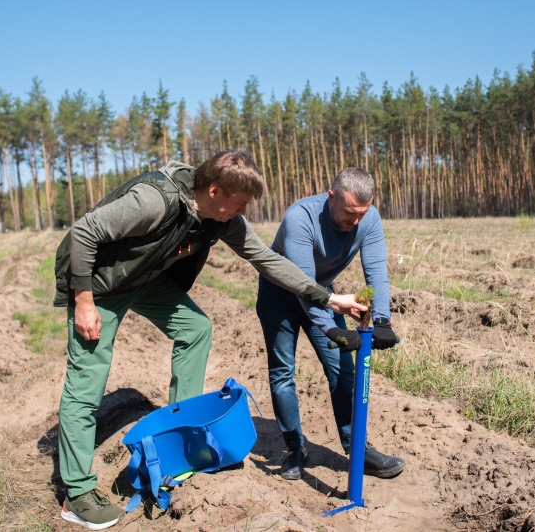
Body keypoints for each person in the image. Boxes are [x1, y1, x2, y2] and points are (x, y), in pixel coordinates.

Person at [52, 150, 367, 529]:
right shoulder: (154, 201)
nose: (243, 212)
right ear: (215, 190)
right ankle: (78, 493)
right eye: (240, 204)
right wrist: (83, 300)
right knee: (87, 385)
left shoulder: (223, 220)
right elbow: (85, 231)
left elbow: (267, 261)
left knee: (195, 328)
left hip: (146, 280)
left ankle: (182, 444)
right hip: (100, 285)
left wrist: (329, 298)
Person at [256, 167, 405, 481]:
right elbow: (303, 284)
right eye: (350, 213)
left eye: (362, 213)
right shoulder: (300, 219)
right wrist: (332, 329)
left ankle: (358, 449)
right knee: (283, 372)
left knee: (343, 370)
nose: (355, 221)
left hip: (324, 295)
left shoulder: (369, 218)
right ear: (331, 196)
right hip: (280, 296)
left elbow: (376, 268)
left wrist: (381, 319)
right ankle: (294, 448)